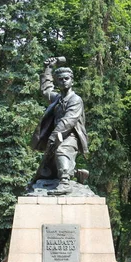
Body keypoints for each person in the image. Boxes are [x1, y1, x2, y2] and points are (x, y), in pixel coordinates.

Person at [31, 57, 89, 195]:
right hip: (56, 135)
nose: (63, 81)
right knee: (48, 168)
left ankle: (65, 183)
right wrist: (48, 69)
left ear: (72, 80)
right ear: (57, 81)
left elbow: (68, 121)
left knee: (62, 150)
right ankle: (77, 174)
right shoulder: (57, 98)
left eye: (66, 78)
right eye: (60, 79)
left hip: (71, 135)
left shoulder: (75, 100)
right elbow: (46, 90)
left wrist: (53, 136)